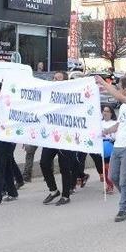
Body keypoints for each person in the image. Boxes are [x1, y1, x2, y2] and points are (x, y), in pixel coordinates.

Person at [97, 76, 126, 221]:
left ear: (124, 89)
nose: (118, 90)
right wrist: (106, 131)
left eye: (119, 87)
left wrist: (104, 83)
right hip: (118, 146)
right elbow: (120, 124)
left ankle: (123, 208)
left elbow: (118, 96)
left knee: (124, 180)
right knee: (112, 176)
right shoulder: (124, 107)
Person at [40, 72, 77, 206]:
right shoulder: (48, 96)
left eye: (58, 78)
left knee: (64, 167)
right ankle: (53, 190)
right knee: (44, 163)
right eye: (54, 78)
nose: (54, 80)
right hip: (51, 137)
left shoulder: (70, 97)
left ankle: (66, 195)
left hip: (65, 138)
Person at [100, 105, 117, 194]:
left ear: (111, 113)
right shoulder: (99, 123)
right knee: (103, 168)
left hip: (110, 146)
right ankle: (107, 184)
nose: (105, 113)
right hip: (101, 147)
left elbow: (116, 136)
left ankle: (111, 185)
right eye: (104, 111)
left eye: (107, 111)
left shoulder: (114, 123)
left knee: (108, 167)